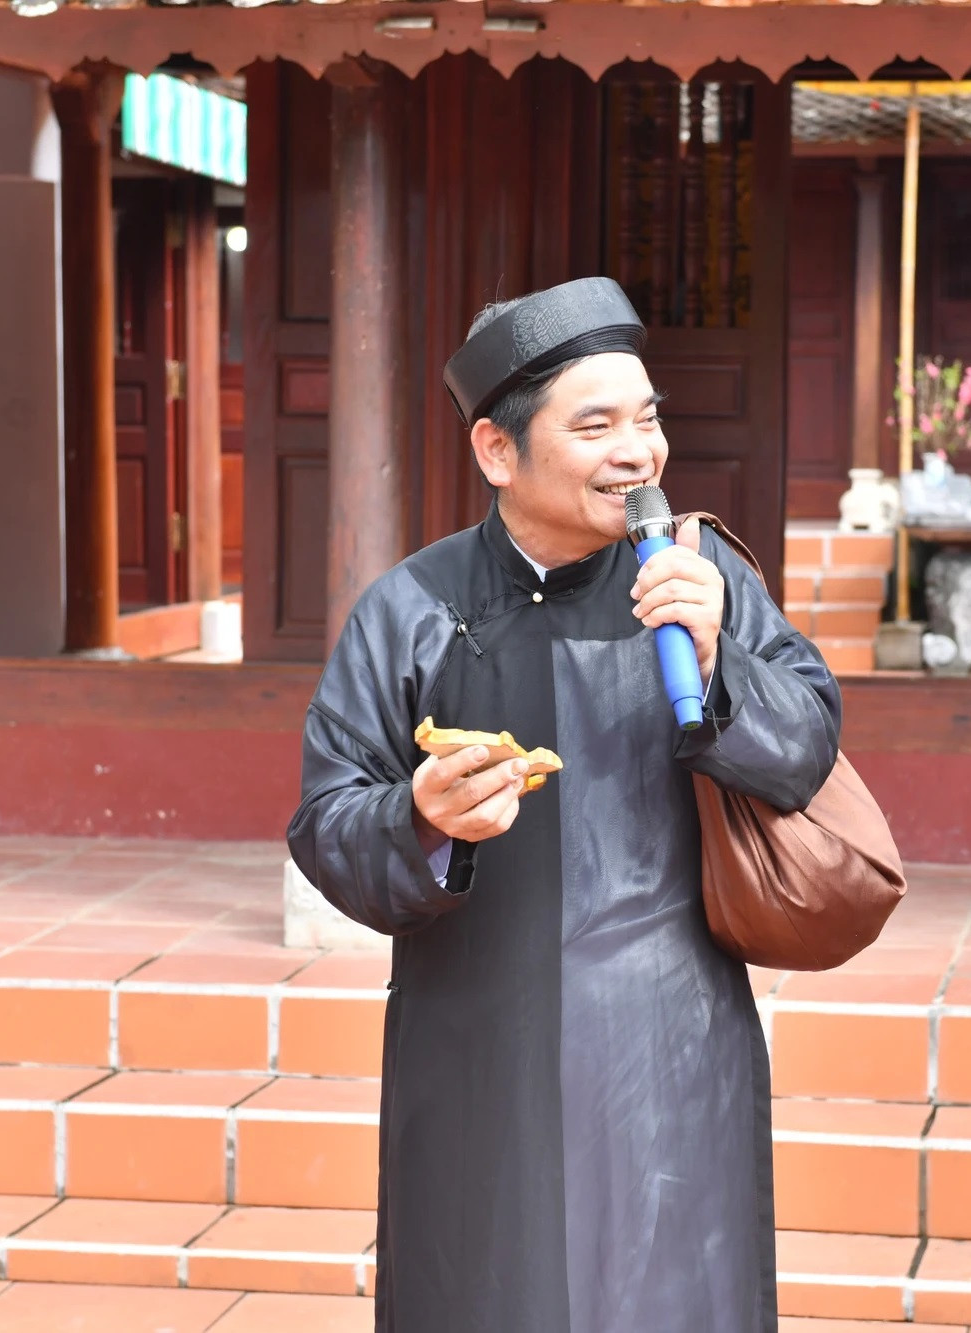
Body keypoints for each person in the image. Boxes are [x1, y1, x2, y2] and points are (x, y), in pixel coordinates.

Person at [286, 276, 840, 1333]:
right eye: (595, 426)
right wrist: (421, 818)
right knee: (488, 1287)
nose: (637, 452)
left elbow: (806, 745)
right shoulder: (413, 607)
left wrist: (721, 658)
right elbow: (325, 822)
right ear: (498, 451)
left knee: (673, 1293)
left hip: (671, 1032)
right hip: (476, 1033)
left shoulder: (700, 570)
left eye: (647, 419)